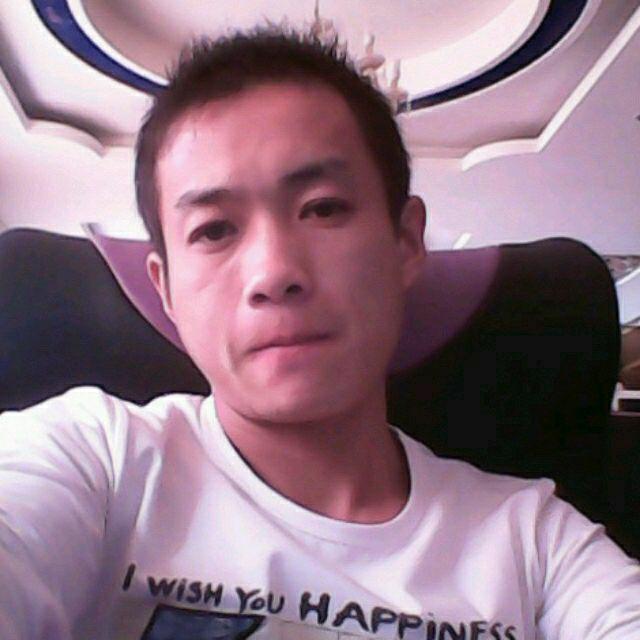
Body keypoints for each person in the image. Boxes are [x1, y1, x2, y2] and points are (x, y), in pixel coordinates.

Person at [0, 26, 639, 640]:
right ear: (165, 289)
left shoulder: (536, 546)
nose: (274, 273)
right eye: (214, 230)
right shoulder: (96, 462)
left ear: (405, 242)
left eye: (323, 208)